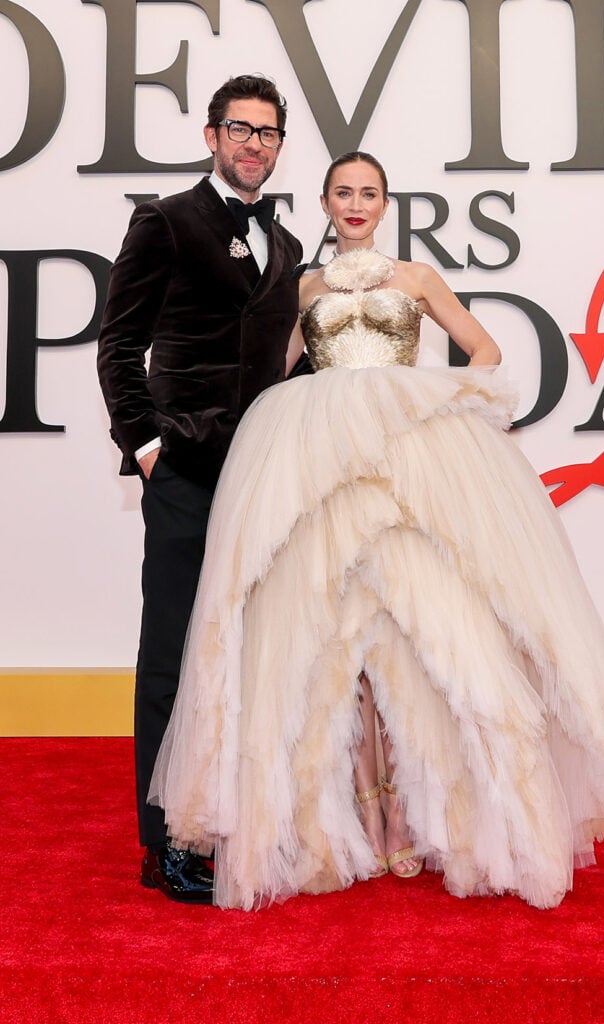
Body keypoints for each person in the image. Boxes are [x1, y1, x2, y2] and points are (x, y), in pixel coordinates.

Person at [150, 152, 604, 911]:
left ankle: (432, 821)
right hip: (327, 461)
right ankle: (352, 824)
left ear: (385, 203)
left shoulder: (415, 278)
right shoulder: (301, 286)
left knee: (432, 627)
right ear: (327, 203)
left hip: (406, 461)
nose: (356, 204)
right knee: (329, 636)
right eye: (344, 193)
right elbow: (270, 373)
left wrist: (432, 397)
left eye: (369, 192)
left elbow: (485, 350)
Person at [97, 74, 305, 904]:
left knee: (252, 655)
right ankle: (166, 842)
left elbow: (288, 366)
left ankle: (239, 818)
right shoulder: (167, 219)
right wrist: (147, 448)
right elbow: (119, 345)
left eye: (268, 133)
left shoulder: (286, 247)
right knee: (172, 659)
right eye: (240, 129)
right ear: (212, 136)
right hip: (184, 470)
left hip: (262, 477)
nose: (254, 144)